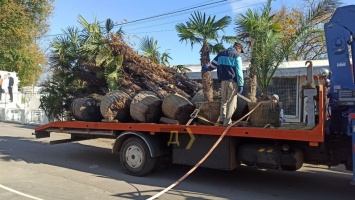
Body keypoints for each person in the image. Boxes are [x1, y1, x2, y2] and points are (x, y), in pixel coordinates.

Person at [203, 42, 244, 126]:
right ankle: (227, 122)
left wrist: (208, 68)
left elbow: (213, 65)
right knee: (231, 103)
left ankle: (221, 119)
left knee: (224, 101)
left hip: (223, 82)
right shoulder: (236, 56)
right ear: (238, 48)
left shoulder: (221, 54)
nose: (240, 52)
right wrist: (241, 84)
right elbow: (239, 71)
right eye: (240, 50)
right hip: (233, 82)